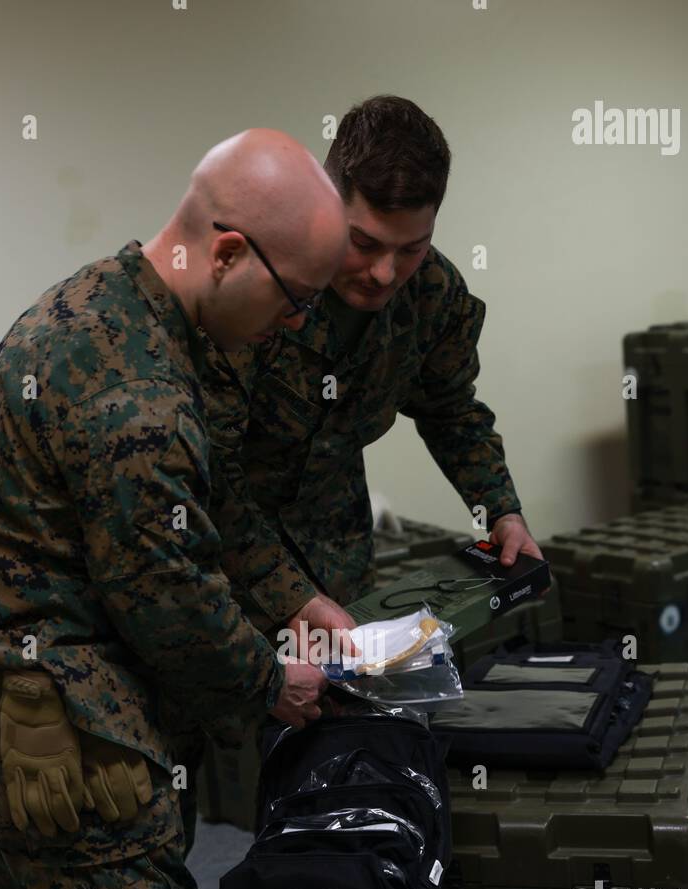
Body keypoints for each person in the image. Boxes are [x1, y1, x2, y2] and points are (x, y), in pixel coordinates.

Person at [0, 129, 351, 889]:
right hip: (38, 705)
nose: (293, 325)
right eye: (297, 299)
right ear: (230, 253)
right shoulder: (136, 397)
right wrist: (275, 683)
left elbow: (220, 497)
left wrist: (294, 594)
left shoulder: (151, 310)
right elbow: (175, 602)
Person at [202, 94, 544, 649]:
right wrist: (289, 597)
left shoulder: (433, 294)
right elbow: (211, 471)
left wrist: (501, 509)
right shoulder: (259, 285)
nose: (384, 273)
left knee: (346, 720)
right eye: (363, 243)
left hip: (339, 551)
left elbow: (451, 410)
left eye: (411, 248)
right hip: (223, 561)